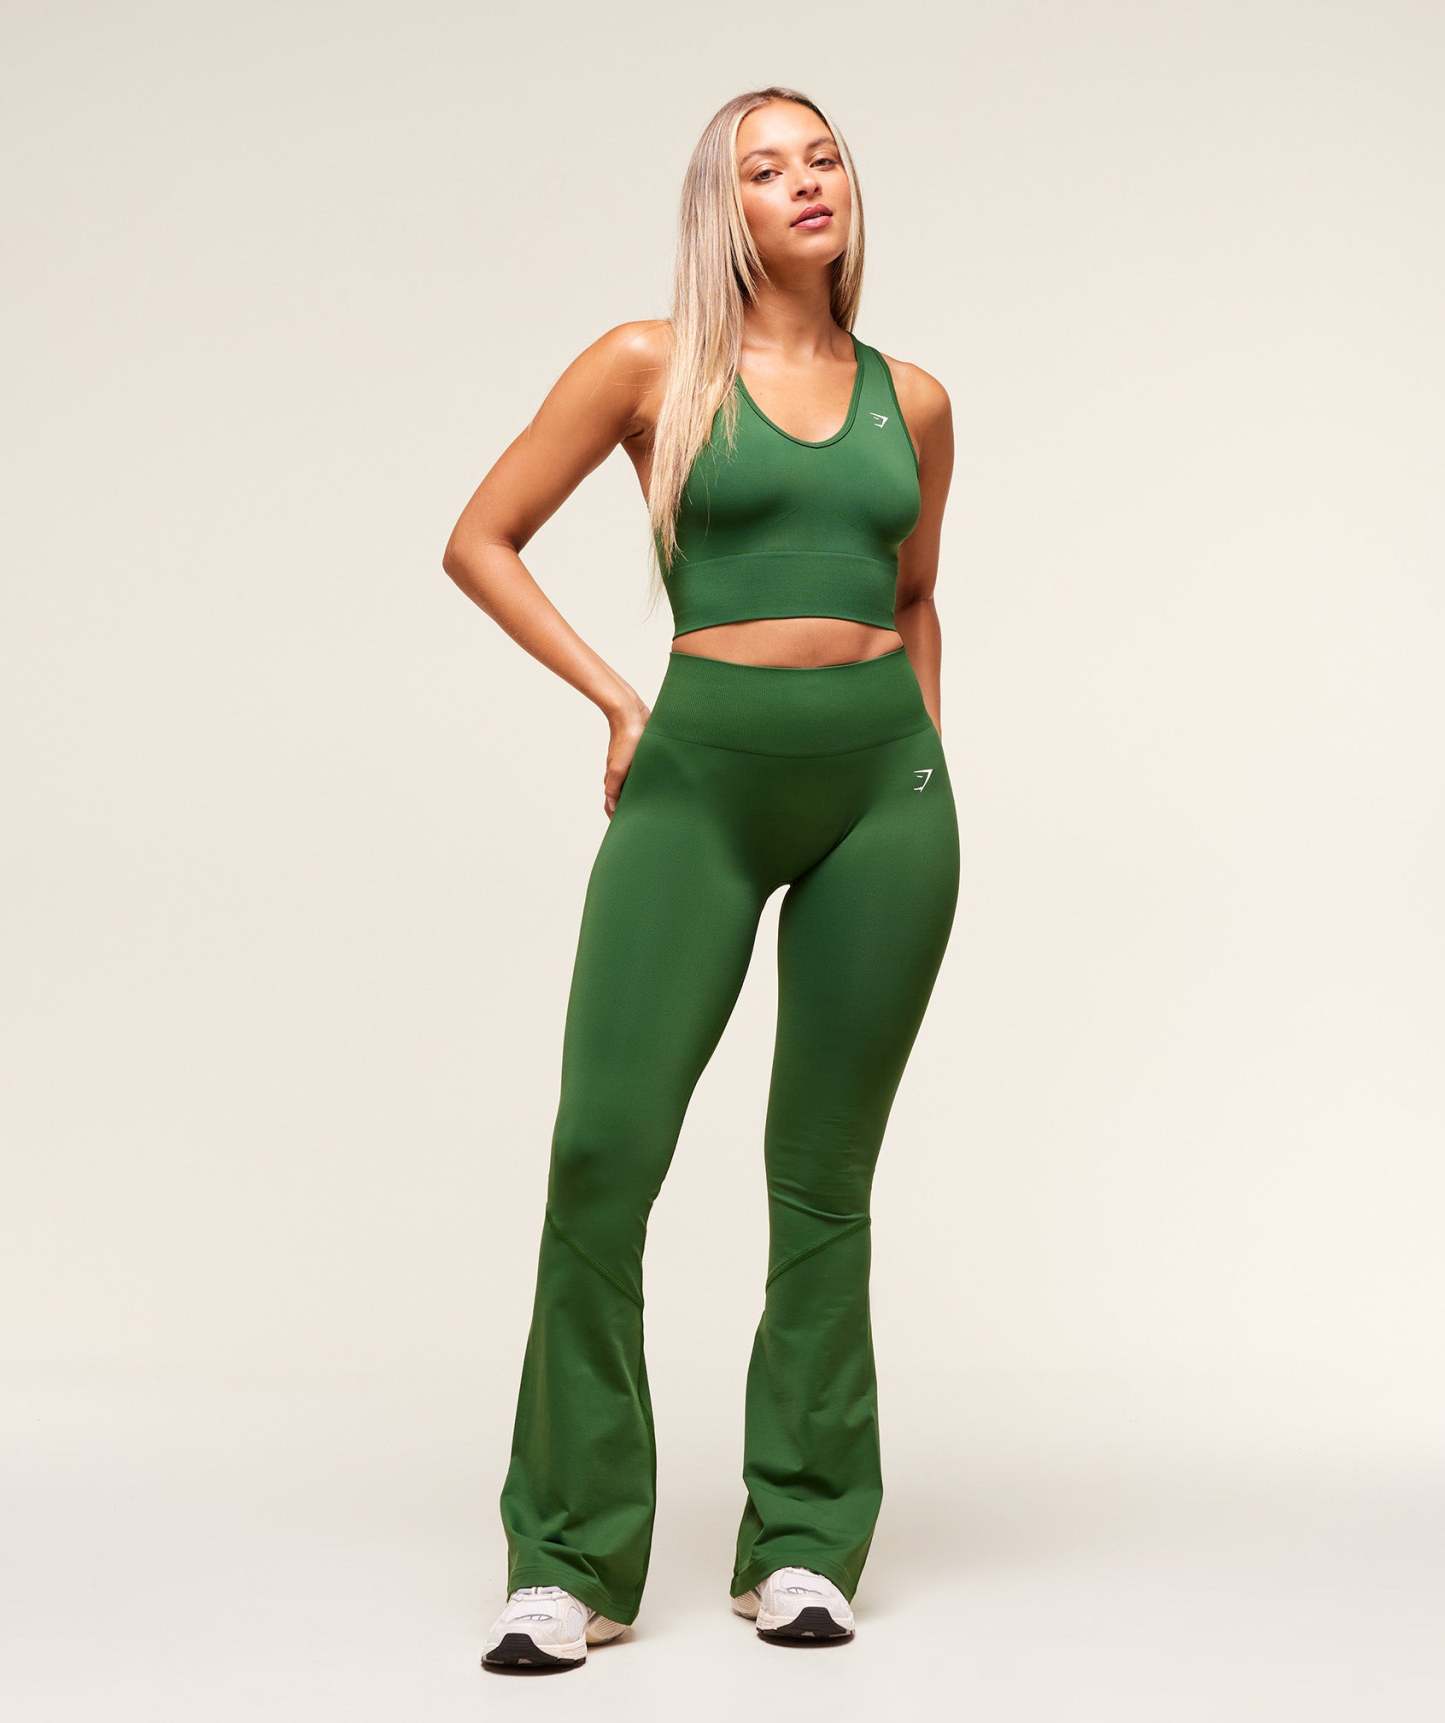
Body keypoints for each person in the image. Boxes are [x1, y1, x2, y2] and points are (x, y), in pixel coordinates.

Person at [443, 84, 959, 1672]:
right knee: (603, 1156)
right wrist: (618, 702)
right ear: (718, 208)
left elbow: (915, 597)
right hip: (698, 788)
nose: (804, 183)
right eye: (763, 167)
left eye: (823, 157)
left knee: (823, 1181)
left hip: (883, 798)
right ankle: (569, 1558)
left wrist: (923, 765)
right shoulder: (647, 364)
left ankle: (803, 1542)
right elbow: (480, 539)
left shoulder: (913, 399)